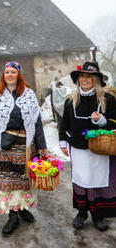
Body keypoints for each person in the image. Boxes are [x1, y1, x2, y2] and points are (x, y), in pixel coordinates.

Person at [0, 61, 47, 236]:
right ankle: (12, 216)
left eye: (13, 72)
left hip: (24, 146)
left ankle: (23, 208)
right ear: (3, 76)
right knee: (6, 183)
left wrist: (42, 146)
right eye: (7, 72)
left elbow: (37, 123)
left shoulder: (29, 95)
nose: (10, 75)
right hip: (1, 146)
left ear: (19, 74)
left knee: (23, 181)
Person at [59, 61, 116, 232]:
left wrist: (101, 120)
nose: (84, 79)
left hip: (100, 150)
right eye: (82, 76)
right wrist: (62, 140)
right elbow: (64, 124)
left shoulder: (107, 99)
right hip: (78, 149)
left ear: (96, 79)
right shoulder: (70, 100)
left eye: (88, 76)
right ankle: (82, 213)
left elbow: (114, 122)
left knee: (97, 181)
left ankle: (98, 215)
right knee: (81, 181)